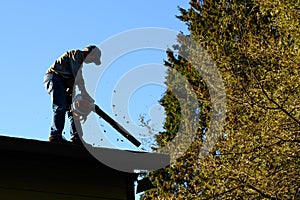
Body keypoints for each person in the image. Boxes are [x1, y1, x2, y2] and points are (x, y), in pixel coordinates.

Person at [43, 45, 102, 144]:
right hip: (54, 77)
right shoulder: (76, 54)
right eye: (93, 59)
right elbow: (77, 77)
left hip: (63, 83)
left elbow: (76, 82)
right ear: (90, 54)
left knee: (73, 109)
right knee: (60, 106)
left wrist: (80, 98)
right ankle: (55, 135)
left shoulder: (79, 64)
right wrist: (84, 93)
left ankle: (76, 137)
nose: (91, 62)